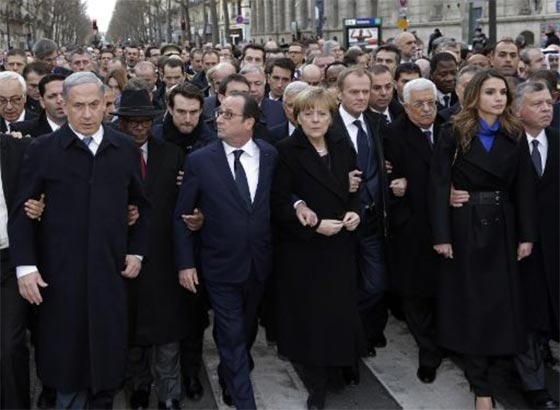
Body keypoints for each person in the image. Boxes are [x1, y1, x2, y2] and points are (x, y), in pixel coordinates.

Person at [8, 71, 149, 409]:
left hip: (109, 275)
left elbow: (142, 206)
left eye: (94, 105)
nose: (87, 114)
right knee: (65, 365)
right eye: (78, 106)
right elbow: (22, 212)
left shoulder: (125, 149)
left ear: (105, 105)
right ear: (64, 105)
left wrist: (136, 253)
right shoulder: (42, 150)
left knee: (106, 366)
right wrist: (26, 268)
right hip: (60, 277)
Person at [430, 69, 537, 410]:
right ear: (475, 96)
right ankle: (481, 388)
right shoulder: (453, 131)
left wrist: (526, 235)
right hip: (466, 227)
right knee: (472, 307)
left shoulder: (514, 133)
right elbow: (438, 184)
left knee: (502, 307)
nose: (498, 98)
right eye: (491, 92)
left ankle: (496, 376)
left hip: (503, 227)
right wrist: (442, 235)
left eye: (503, 92)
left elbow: (524, 188)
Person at [174, 92, 277, 409]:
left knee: (245, 332)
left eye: (228, 115)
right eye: (219, 112)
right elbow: (182, 215)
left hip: (259, 264)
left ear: (249, 122)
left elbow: (279, 201)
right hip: (219, 265)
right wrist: (185, 264)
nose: (218, 118)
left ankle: (229, 374)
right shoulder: (200, 160)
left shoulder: (270, 155)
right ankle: (245, 402)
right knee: (232, 335)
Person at [271, 86, 363, 410]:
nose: (315, 119)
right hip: (305, 249)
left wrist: (355, 212)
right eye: (308, 114)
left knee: (339, 311)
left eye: (321, 114)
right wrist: (311, 223)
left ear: (330, 118)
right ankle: (317, 382)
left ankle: (338, 366)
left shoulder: (341, 145)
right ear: (297, 117)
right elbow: (279, 201)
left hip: (340, 243)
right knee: (312, 318)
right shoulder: (286, 150)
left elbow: (355, 188)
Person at [113, 88, 186, 410]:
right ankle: (138, 388)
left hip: (165, 256)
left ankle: (169, 393)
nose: (139, 127)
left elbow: (185, 203)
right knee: (131, 329)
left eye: (144, 120)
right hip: (125, 256)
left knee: (167, 331)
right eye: (132, 121)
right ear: (121, 123)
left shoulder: (172, 154)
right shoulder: (110, 155)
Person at [383, 78, 443, 384]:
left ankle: (445, 341)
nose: (427, 109)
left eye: (431, 102)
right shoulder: (392, 134)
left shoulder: (450, 128)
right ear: (405, 107)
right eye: (419, 104)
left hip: (447, 223)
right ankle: (428, 351)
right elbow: (387, 179)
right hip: (412, 225)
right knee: (415, 293)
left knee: (444, 290)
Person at [330, 67, 389, 359]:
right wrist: (340, 182)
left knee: (376, 285)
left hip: (373, 221)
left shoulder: (376, 123)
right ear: (339, 93)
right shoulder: (327, 126)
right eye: (354, 92)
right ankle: (349, 342)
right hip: (340, 222)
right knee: (341, 286)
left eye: (366, 91)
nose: (362, 97)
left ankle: (353, 331)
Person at [512, 81, 559, 410]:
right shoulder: (506, 146)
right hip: (520, 245)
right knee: (527, 312)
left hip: (556, 244)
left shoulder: (558, 140)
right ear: (518, 111)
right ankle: (534, 386)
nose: (546, 108)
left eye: (548, 103)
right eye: (537, 103)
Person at [11, 74, 66, 138]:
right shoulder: (22, 131)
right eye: (52, 96)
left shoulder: (77, 128)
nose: (59, 100)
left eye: (64, 95)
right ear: (42, 102)